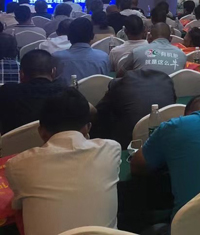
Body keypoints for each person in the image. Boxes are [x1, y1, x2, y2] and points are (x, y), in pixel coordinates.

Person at [6, 89, 121, 235]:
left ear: (41, 132)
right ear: (88, 128)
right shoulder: (112, 149)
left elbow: (17, 205)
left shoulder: (17, 165)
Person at [91, 69, 176, 149]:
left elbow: (97, 113)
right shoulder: (165, 80)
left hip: (128, 146)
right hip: (169, 140)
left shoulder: (120, 85)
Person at [0, 49, 67, 134]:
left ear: (21, 74)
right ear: (53, 72)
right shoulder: (66, 92)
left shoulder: (6, 92)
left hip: (14, 142)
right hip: (58, 141)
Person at [53, 18, 110, 84]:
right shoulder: (103, 57)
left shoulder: (57, 57)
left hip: (65, 91)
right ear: (92, 36)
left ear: (68, 36)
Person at [120, 23, 187, 76]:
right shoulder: (182, 55)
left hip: (142, 89)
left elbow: (120, 75)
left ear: (149, 37)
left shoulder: (136, 52)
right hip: (171, 89)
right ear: (170, 39)